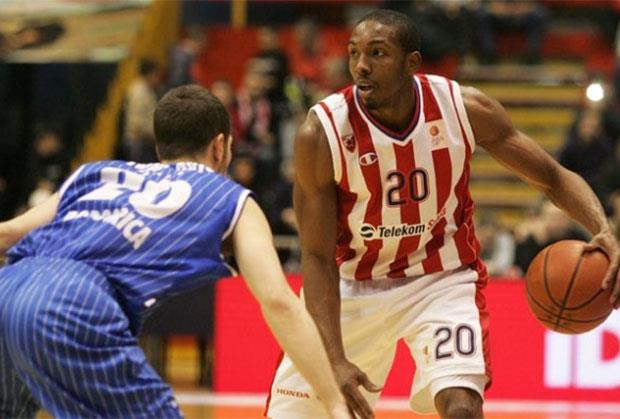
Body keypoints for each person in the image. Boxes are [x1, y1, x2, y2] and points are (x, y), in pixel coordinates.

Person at [266, 9, 620, 419]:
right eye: (354, 53)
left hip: (440, 279)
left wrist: (604, 229)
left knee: (462, 407)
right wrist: (332, 356)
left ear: (411, 63)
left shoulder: (462, 108)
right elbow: (315, 255)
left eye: (377, 53)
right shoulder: (322, 132)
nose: (361, 66)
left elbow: (552, 177)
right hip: (350, 285)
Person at [0, 85, 349, 419]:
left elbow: (8, 234)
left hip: (9, 285)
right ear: (220, 147)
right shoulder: (231, 198)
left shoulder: (98, 173)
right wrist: (334, 403)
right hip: (72, 302)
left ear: (159, 148)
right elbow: (278, 301)